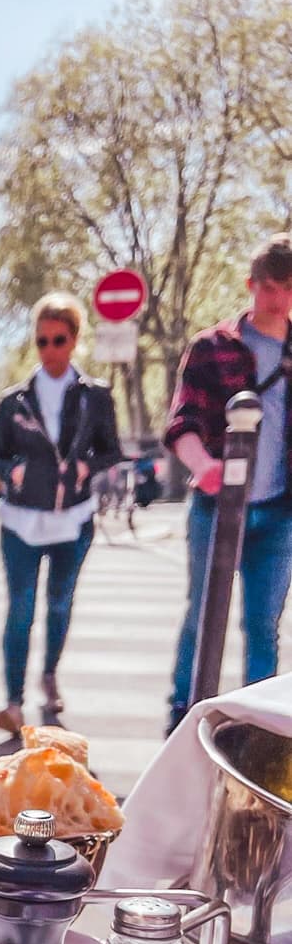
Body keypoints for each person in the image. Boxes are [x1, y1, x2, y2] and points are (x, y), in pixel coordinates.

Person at [165, 232, 292, 732]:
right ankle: (184, 712)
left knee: (263, 627)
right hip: (217, 508)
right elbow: (182, 422)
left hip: (279, 511)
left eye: (285, 287)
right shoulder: (213, 346)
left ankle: (255, 727)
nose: (276, 297)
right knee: (202, 615)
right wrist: (204, 467)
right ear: (250, 285)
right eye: (267, 286)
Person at [0, 291, 121, 736]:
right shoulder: (14, 401)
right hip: (21, 522)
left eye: (58, 340)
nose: (49, 350)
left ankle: (49, 674)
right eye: (41, 341)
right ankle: (13, 701)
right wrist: (15, 471)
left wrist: (86, 466)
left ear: (74, 339)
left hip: (73, 519)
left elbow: (111, 451)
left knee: (59, 605)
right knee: (20, 609)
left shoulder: (95, 397)